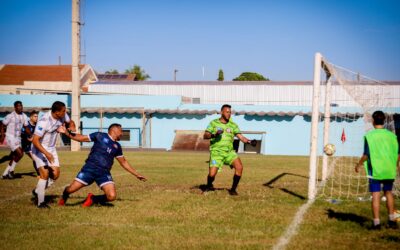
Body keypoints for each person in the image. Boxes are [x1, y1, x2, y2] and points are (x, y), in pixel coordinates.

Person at [57, 123, 147, 207]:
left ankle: (93, 199)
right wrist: (66, 133)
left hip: (104, 173)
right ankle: (64, 196)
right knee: (70, 189)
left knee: (111, 196)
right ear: (114, 130)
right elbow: (81, 138)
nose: (122, 134)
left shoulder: (117, 146)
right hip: (89, 169)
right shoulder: (99, 135)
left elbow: (123, 162)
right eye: (121, 131)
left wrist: (136, 174)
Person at [355, 110, 399, 229]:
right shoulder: (392, 136)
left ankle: (376, 223)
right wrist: (397, 165)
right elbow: (398, 153)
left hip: (375, 170)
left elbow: (366, 155)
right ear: (384, 121)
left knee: (375, 195)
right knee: (388, 193)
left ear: (373, 121)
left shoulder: (369, 136)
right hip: (389, 169)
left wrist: (358, 164)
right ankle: (391, 220)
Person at [203, 104, 256, 195]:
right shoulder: (214, 123)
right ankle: (209, 185)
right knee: (212, 174)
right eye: (227, 112)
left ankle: (233, 189)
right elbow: (205, 135)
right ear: (221, 112)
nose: (229, 114)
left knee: (239, 167)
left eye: (230, 112)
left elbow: (241, 137)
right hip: (217, 153)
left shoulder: (232, 125)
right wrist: (214, 135)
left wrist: (250, 142)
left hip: (229, 152)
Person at [31, 101, 76, 208]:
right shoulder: (44, 121)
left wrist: (71, 128)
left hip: (51, 149)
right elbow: (35, 141)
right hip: (39, 148)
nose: (65, 113)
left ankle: (38, 191)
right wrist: (46, 154)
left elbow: (70, 122)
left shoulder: (63, 115)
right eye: (63, 111)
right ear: (56, 112)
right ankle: (41, 203)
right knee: (45, 174)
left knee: (55, 174)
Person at [0, 101, 31, 179]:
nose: (20, 107)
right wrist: (2, 135)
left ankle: (5, 174)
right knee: (20, 154)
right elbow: (2, 125)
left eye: (21, 106)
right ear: (15, 107)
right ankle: (11, 171)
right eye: (18, 106)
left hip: (18, 138)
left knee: (15, 156)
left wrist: (31, 134)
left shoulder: (24, 116)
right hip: (10, 136)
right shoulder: (10, 116)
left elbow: (26, 127)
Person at [21, 110, 39, 176]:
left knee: (38, 158)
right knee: (35, 158)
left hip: (33, 144)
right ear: (31, 117)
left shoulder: (37, 125)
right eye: (35, 116)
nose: (36, 118)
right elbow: (22, 134)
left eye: (37, 116)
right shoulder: (26, 125)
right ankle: (39, 174)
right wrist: (28, 138)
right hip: (26, 145)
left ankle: (9, 171)